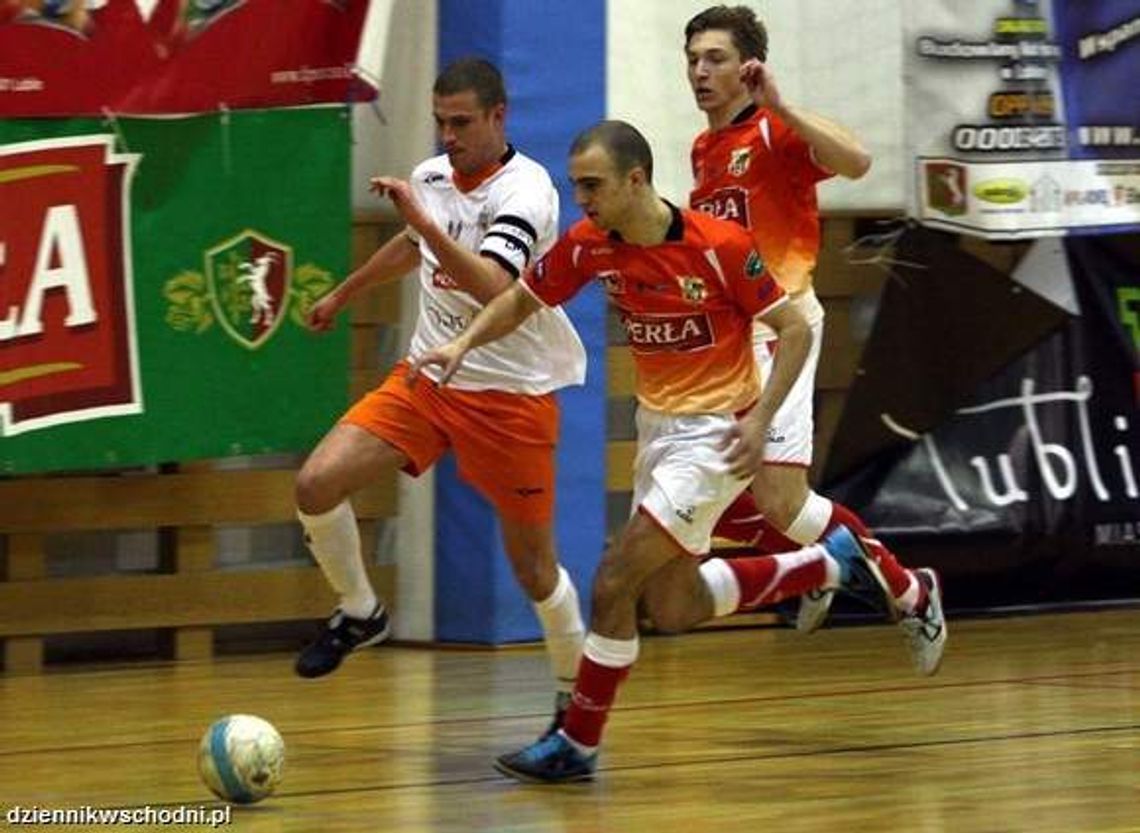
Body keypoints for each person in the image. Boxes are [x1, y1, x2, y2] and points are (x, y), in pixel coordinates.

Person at [410, 120, 897, 783]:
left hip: (715, 435)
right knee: (673, 606)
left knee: (613, 576)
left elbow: (793, 328)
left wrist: (761, 425)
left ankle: (577, 742)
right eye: (576, 184)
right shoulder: (592, 245)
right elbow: (521, 298)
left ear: (635, 180)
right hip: (658, 431)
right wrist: (461, 346)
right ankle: (826, 564)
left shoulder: (720, 245)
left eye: (593, 185)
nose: (581, 199)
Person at [292, 58, 588, 734]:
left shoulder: (528, 191)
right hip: (429, 376)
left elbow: (491, 284)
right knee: (315, 483)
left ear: (498, 116)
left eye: (461, 123)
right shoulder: (432, 177)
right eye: (440, 122)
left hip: (509, 395)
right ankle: (361, 610)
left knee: (536, 571)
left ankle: (576, 703)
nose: (448, 135)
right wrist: (342, 294)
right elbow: (410, 245)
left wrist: (424, 225)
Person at [674, 5, 946, 674]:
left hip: (782, 333)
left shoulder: (774, 131)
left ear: (749, 66)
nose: (700, 71)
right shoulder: (705, 148)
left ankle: (910, 590)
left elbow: (856, 160)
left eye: (714, 58)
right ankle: (817, 567)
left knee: (779, 501)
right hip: (728, 344)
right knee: (712, 498)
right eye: (693, 58)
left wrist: (785, 105)